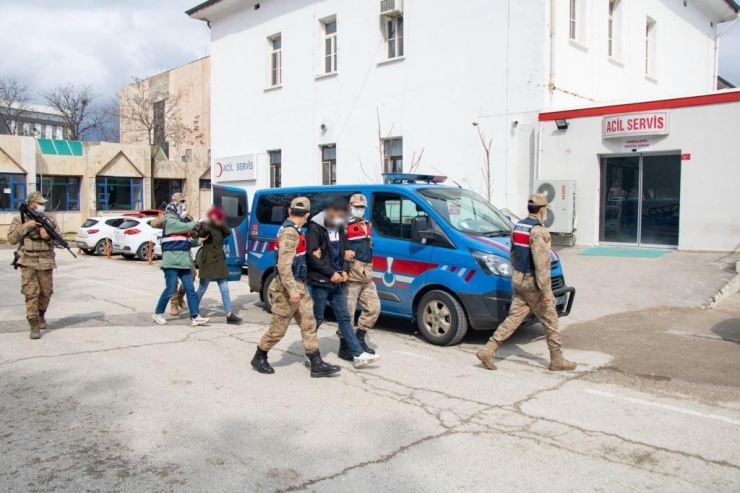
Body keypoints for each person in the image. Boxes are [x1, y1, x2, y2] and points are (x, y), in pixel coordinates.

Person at [476, 193, 577, 372]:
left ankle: (488, 349)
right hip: (533, 283)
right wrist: (547, 294)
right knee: (550, 319)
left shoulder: (519, 227)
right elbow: (541, 265)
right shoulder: (539, 231)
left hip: (518, 279)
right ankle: (557, 359)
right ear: (543, 210)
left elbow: (513, 253)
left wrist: (518, 271)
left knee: (514, 318)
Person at [251, 197, 341, 378]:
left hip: (299, 284)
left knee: (309, 323)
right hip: (287, 288)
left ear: (289, 211)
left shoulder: (294, 230)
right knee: (278, 329)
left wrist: (310, 255)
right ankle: (260, 355)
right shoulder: (290, 233)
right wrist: (292, 290)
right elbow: (284, 266)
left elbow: (295, 258)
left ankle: (316, 362)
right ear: (307, 215)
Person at [306, 198, 380, 368]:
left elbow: (346, 251)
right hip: (321, 280)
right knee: (317, 319)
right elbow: (311, 255)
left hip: (339, 279)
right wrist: (331, 272)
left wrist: (344, 270)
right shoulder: (316, 228)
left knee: (345, 318)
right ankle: (309, 352)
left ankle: (357, 353)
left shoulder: (338, 226)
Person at [7, 191, 60, 340]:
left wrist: (48, 236)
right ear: (31, 204)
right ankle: (34, 325)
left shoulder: (49, 220)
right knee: (31, 294)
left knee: (46, 293)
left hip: (46, 261)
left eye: (43, 204)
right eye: (40, 203)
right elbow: (11, 239)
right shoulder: (19, 219)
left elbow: (60, 239)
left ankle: (41, 315)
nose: (43, 206)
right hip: (28, 261)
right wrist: (26, 226)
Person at [152, 193, 209, 327]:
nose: (184, 208)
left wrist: (199, 241)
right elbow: (183, 227)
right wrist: (195, 222)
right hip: (171, 262)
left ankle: (195, 316)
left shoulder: (181, 221)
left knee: (190, 288)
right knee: (170, 288)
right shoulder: (170, 221)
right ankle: (158, 313)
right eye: (181, 205)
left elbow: (185, 241)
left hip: (183, 261)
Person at [342, 193, 380, 359]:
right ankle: (344, 347)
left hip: (366, 276)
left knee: (374, 307)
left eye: (362, 207)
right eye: (357, 207)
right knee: (348, 314)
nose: (359, 210)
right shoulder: (343, 224)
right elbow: (335, 247)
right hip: (351, 277)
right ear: (350, 206)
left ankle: (359, 338)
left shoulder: (367, 225)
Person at [195, 206, 242, 324]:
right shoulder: (205, 225)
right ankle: (194, 310)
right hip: (208, 261)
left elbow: (228, 232)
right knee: (202, 289)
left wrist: (219, 223)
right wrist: (206, 222)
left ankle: (229, 314)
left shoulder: (220, 226)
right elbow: (202, 233)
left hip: (219, 260)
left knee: (224, 289)